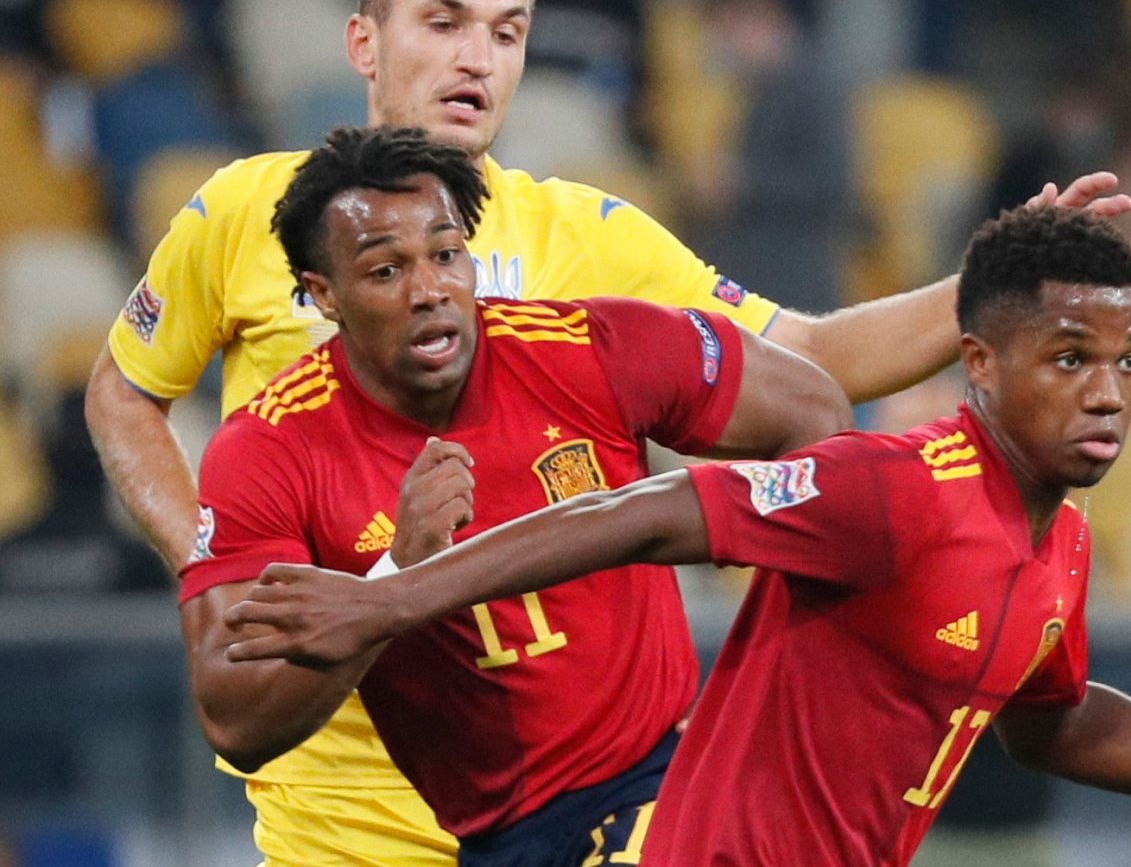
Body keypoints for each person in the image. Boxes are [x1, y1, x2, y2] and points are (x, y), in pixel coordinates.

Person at [81, 0, 1131, 861]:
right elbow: (124, 391)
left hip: (595, 797)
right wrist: (214, 576)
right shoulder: (241, 216)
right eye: (442, 20)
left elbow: (804, 359)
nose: (477, 59)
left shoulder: (588, 235)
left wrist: (1001, 282)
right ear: (364, 39)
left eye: (506, 31)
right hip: (342, 806)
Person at [225, 204, 1131, 864]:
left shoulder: (1059, 541)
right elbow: (654, 511)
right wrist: (394, 599)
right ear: (977, 364)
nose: (1106, 390)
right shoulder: (893, 489)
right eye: (1069, 358)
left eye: (1129, 362)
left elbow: (1052, 718)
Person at [179, 125, 853, 864]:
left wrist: (774, 671)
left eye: (446, 254)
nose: (430, 290)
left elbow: (814, 415)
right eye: (384, 272)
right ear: (323, 296)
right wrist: (393, 573)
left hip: (662, 780)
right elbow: (235, 719)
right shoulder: (267, 449)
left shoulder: (591, 349)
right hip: (496, 839)